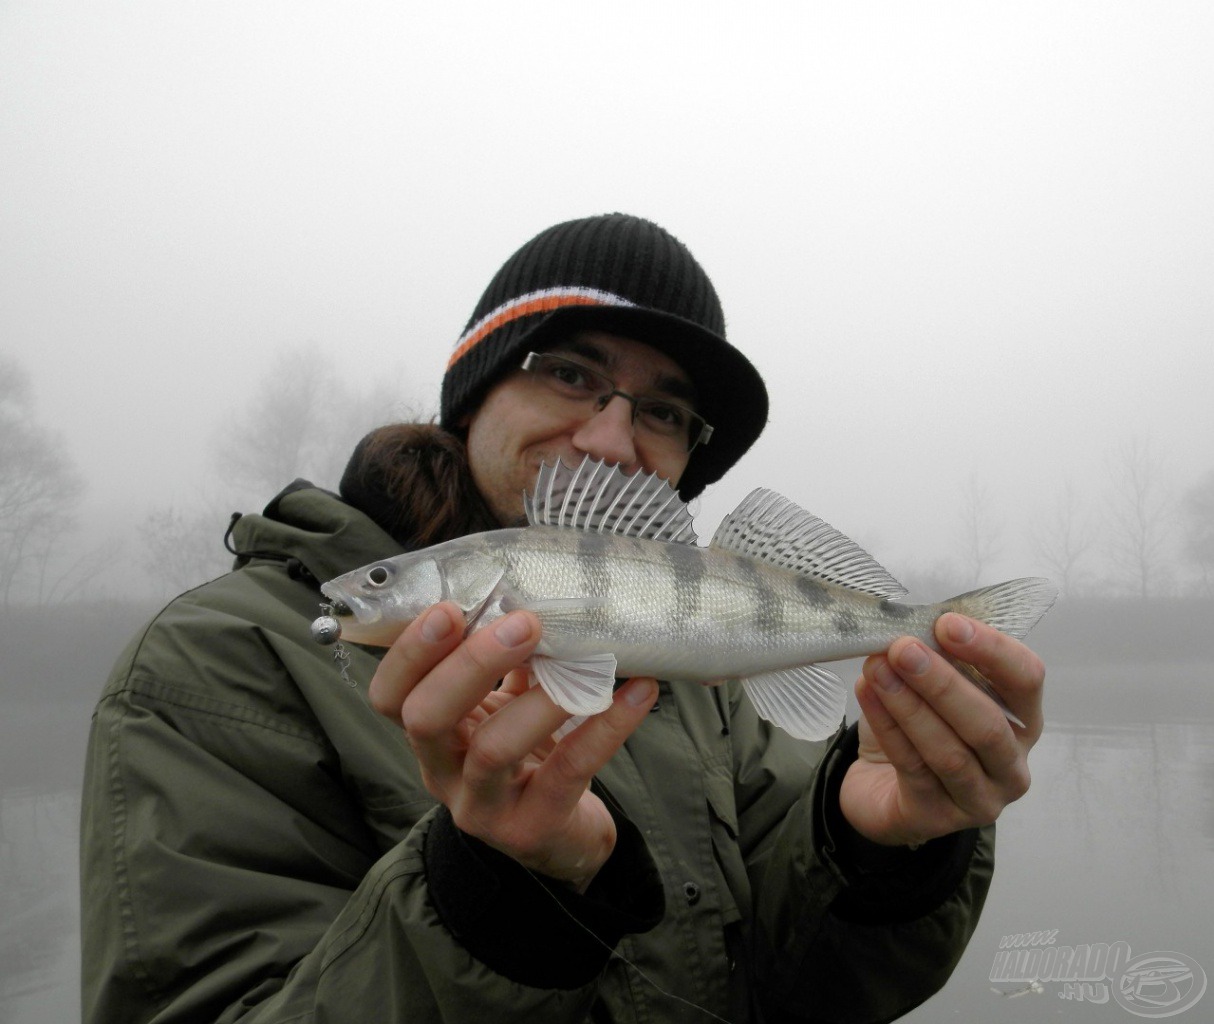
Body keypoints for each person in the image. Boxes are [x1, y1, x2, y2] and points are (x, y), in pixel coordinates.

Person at [80, 213, 1045, 1023]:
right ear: (476, 389)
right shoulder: (214, 664)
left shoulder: (696, 682)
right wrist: (494, 896)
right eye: (572, 374)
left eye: (665, 413)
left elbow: (805, 989)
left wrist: (880, 850)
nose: (610, 438)